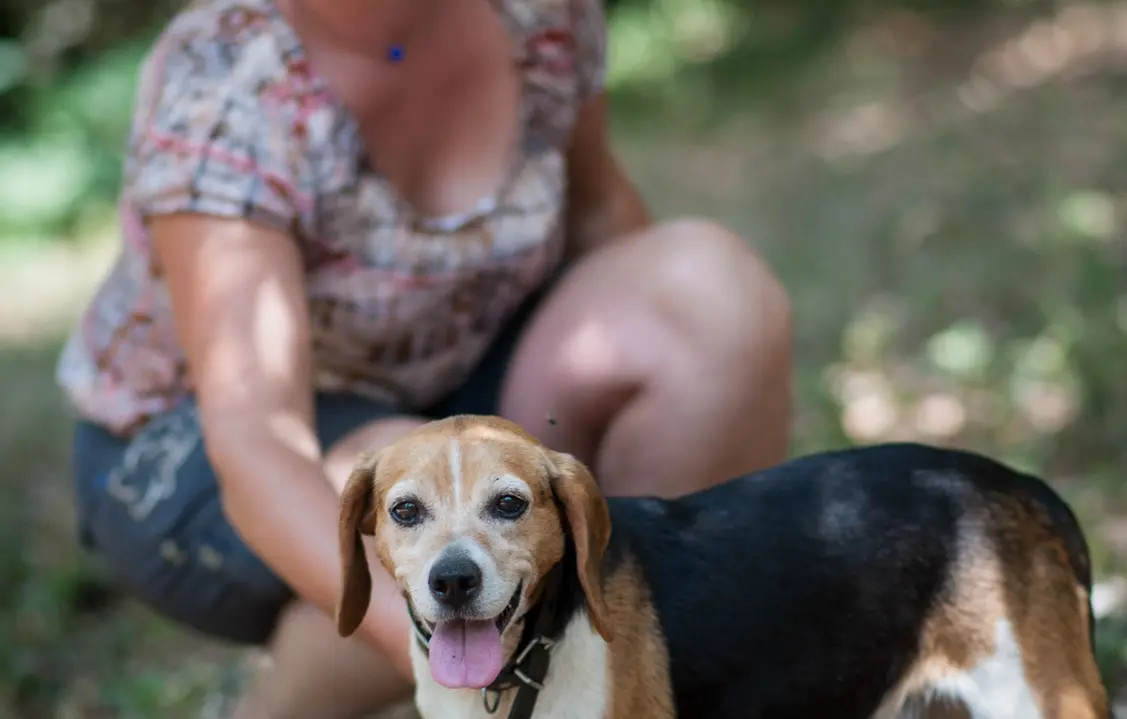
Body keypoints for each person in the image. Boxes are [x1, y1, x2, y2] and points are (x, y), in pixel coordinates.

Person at [56, 0, 792, 715]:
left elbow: (601, 220)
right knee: (414, 489)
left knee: (708, 291)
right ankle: (278, 708)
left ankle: (626, 665)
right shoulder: (225, 76)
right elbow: (256, 442)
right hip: (192, 449)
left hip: (462, 385)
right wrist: (449, 660)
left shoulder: (541, 14)